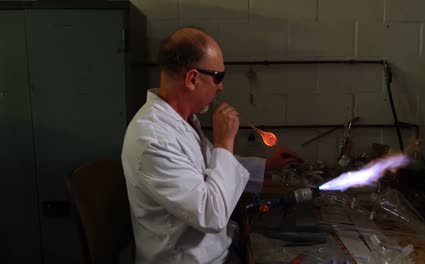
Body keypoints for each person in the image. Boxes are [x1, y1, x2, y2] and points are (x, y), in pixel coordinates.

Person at [121, 27, 303, 264]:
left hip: (216, 250)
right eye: (218, 77)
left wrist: (265, 166)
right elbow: (211, 215)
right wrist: (224, 141)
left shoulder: (180, 121)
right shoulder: (152, 139)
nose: (221, 87)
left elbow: (211, 164)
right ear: (193, 79)